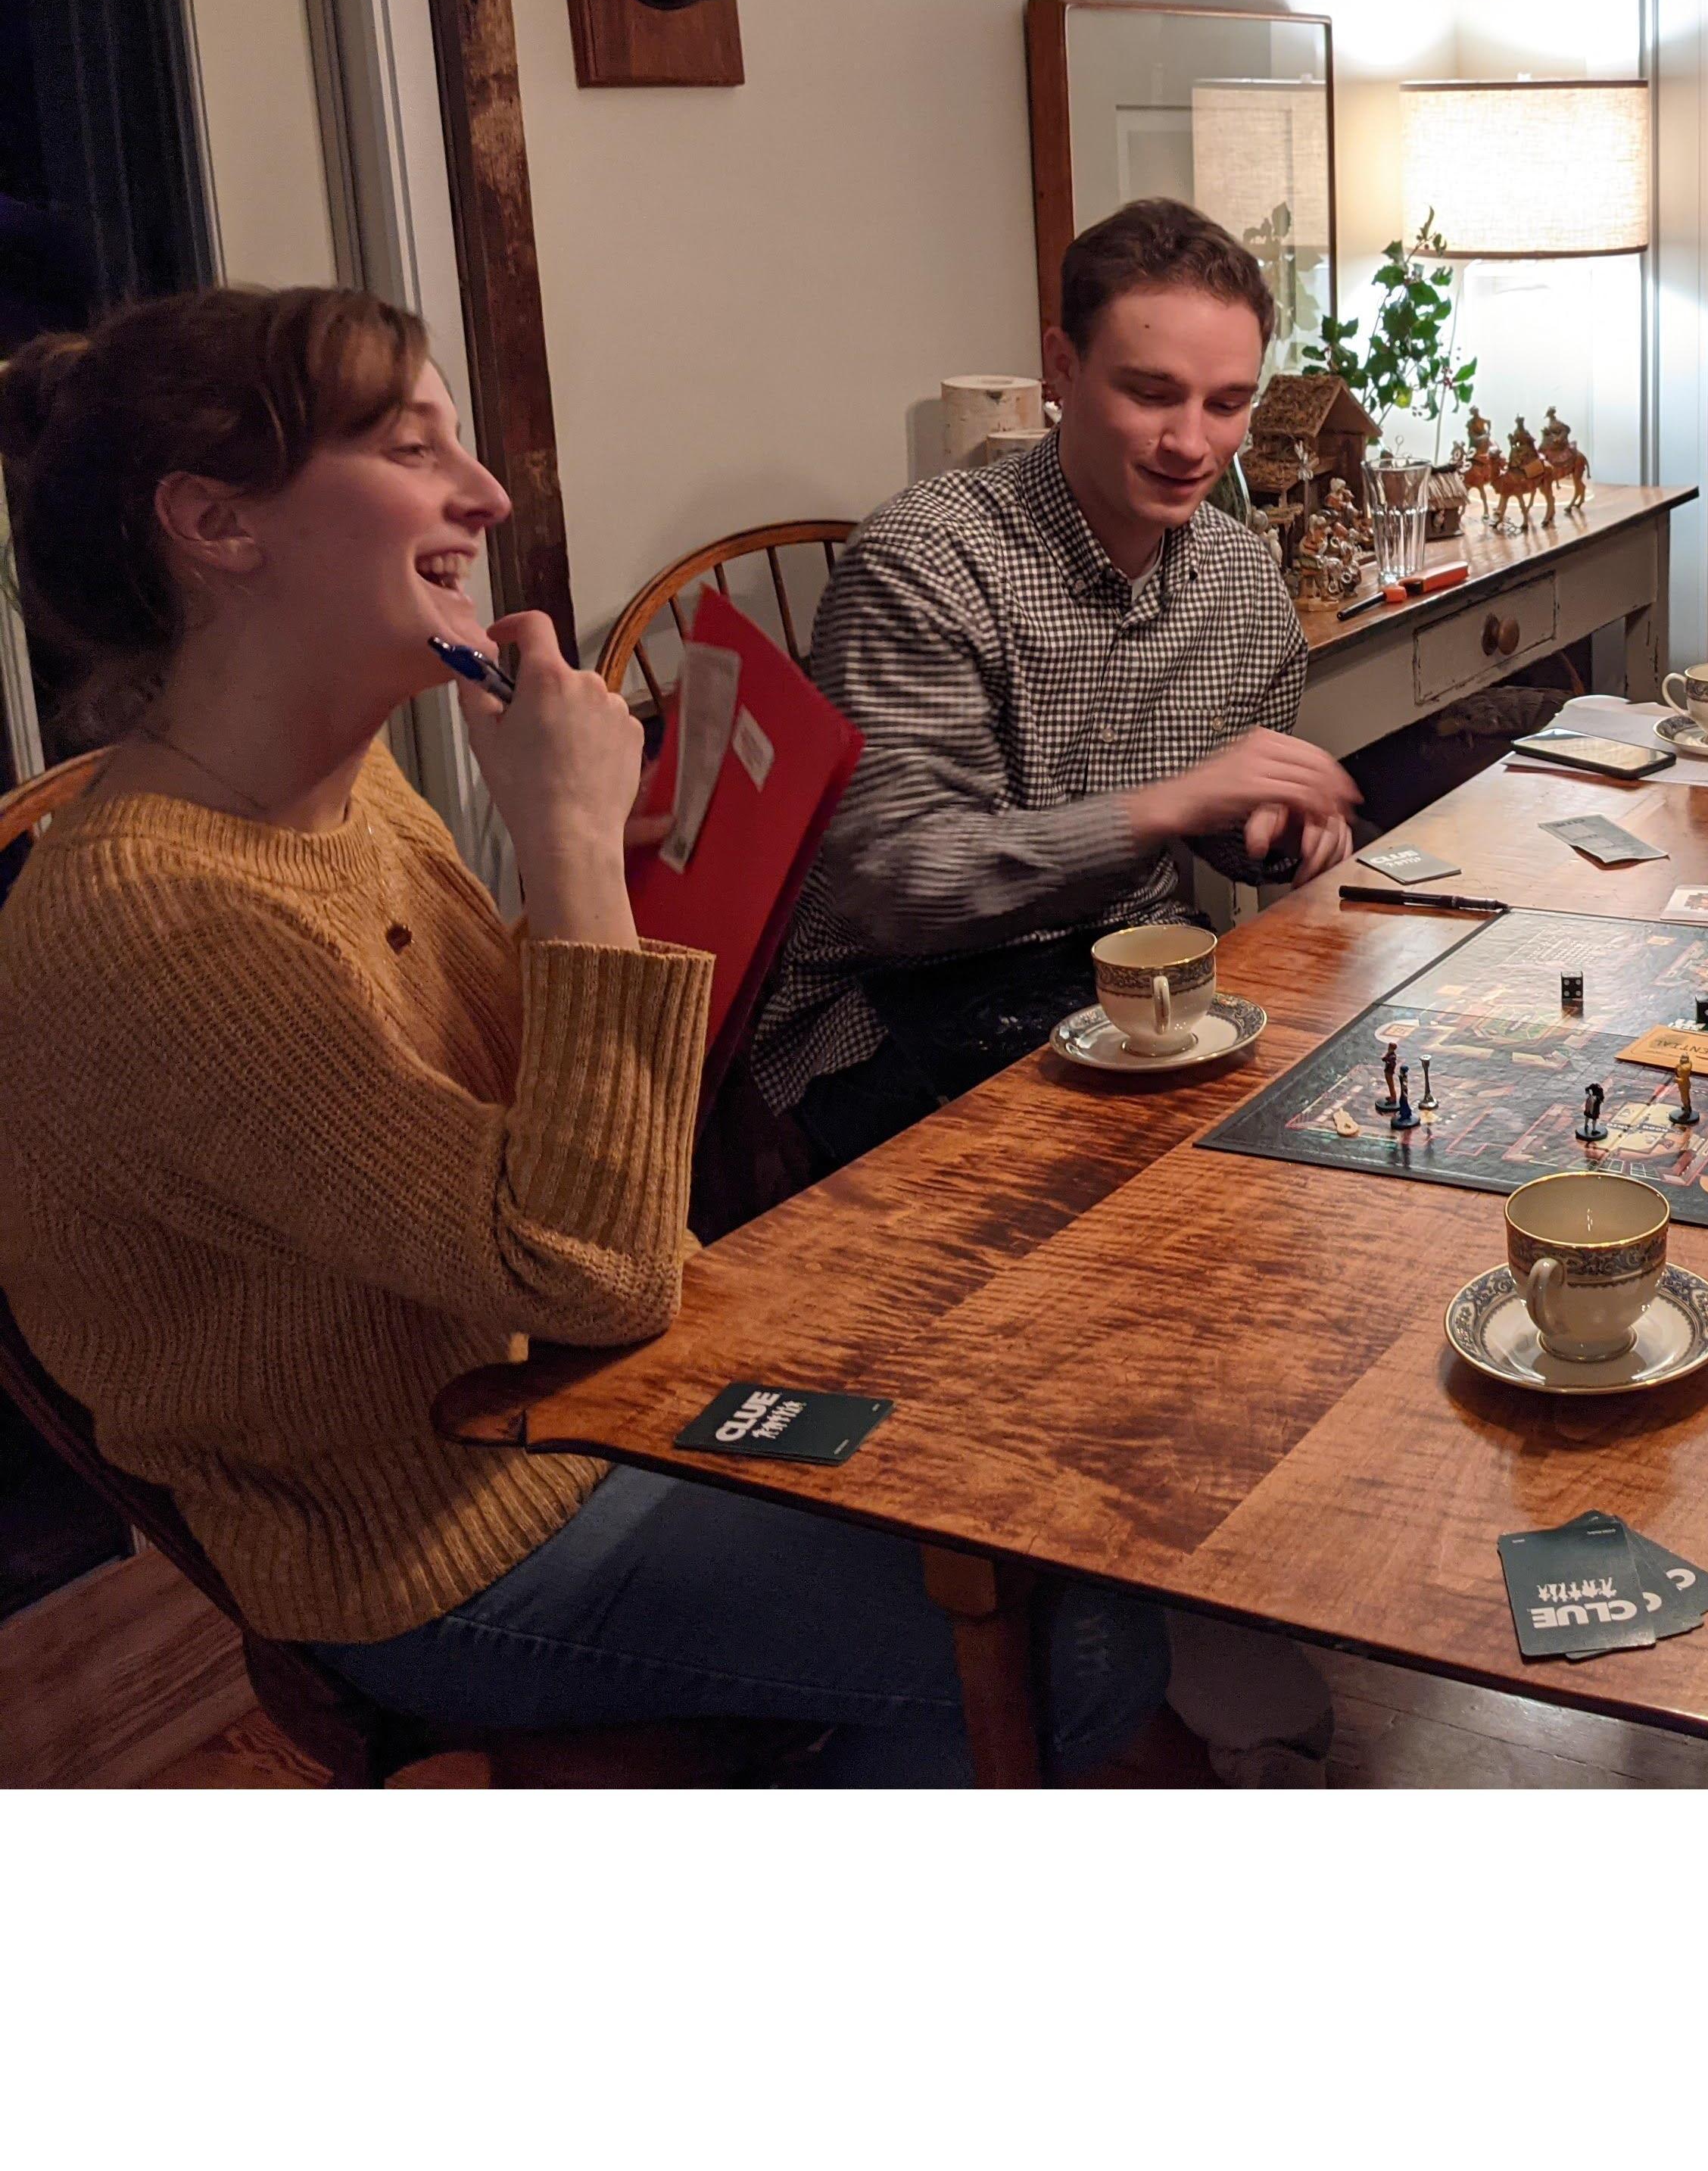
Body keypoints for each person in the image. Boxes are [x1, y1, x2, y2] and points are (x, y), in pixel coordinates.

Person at [0, 283, 1171, 1781]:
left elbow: (571, 1163)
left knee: (1071, 1448)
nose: (483, 494)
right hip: (451, 1540)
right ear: (220, 525)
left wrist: (608, 868)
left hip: (590, 1398)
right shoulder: (166, 924)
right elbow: (594, 1264)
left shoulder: (347, 793)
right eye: (413, 448)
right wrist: (560, 850)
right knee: (1078, 1646)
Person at [750, 198, 1357, 1173]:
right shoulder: (924, 560)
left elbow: (1212, 829)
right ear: (1062, 371)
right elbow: (899, 889)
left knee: (1338, 1136)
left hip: (1137, 979)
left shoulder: (1244, 583)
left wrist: (1275, 834)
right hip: (891, 1004)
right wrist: (1172, 800)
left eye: (1227, 402)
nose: (1192, 443)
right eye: (1152, 393)